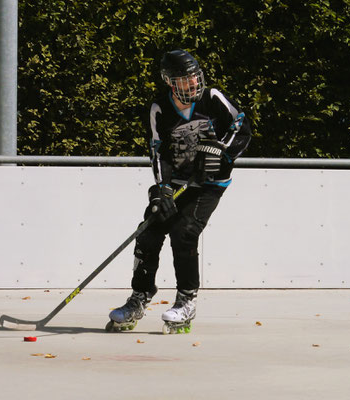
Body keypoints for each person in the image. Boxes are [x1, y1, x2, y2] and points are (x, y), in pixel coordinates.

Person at [106, 49, 251, 334]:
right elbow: (158, 151)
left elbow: (242, 127)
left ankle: (186, 300)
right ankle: (139, 297)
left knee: (184, 232)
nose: (192, 85)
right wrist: (162, 189)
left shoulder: (213, 99)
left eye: (194, 78)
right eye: (184, 81)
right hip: (176, 183)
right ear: (170, 83)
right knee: (147, 230)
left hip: (210, 185)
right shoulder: (159, 108)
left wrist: (221, 151)